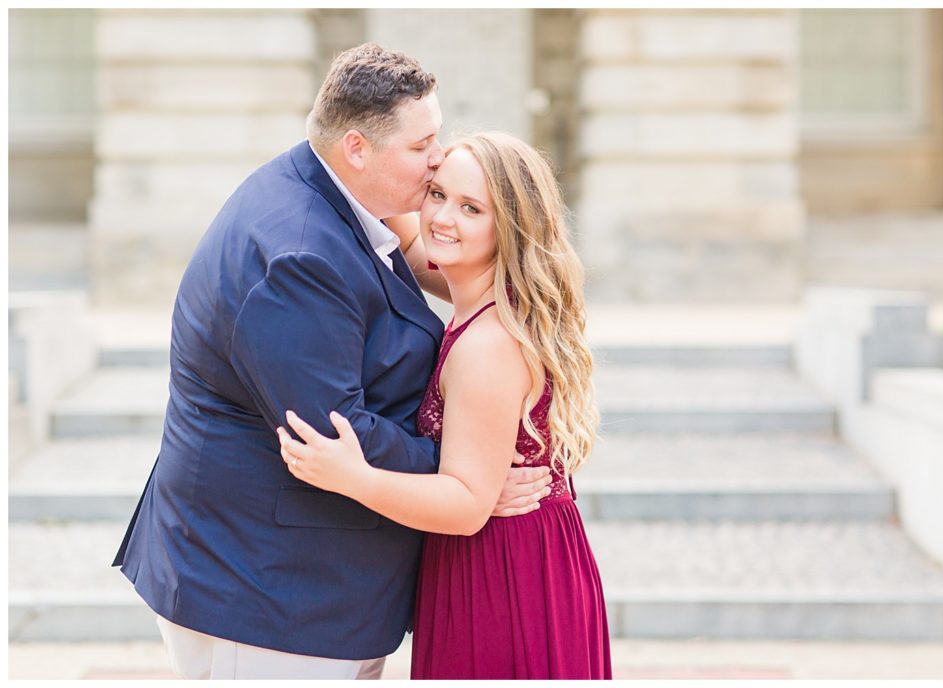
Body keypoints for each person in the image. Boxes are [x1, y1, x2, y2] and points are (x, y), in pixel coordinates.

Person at [111, 44, 550, 680]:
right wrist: (465, 474)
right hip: (265, 594)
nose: (437, 159)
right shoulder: (301, 255)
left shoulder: (330, 194)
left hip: (300, 583)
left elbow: (436, 256)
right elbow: (334, 433)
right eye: (422, 144)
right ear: (357, 148)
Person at [278, 132, 613, 679]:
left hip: (506, 578)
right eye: (437, 193)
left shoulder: (488, 346)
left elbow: (464, 505)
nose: (443, 218)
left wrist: (351, 476)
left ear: (508, 227)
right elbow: (405, 227)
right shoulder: (473, 287)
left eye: (471, 208)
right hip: (505, 560)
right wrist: (398, 150)